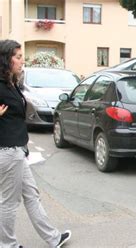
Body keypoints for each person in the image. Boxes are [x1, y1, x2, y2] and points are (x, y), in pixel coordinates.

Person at [0, 39, 71, 248]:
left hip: (17, 150)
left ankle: (53, 238)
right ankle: (7, 245)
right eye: (18, 57)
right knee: (9, 203)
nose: (23, 61)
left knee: (32, 194)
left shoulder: (10, 83)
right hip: (8, 151)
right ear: (6, 59)